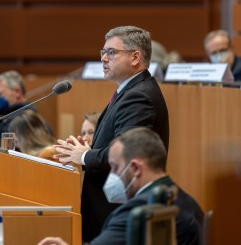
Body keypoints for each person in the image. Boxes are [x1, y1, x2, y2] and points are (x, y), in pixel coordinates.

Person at [53, 25, 169, 242]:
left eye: (111, 53)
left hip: (115, 209)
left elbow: (128, 155)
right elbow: (118, 144)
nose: (104, 59)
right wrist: (88, 150)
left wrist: (85, 156)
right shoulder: (131, 90)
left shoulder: (139, 97)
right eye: (103, 52)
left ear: (135, 57)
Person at [38, 128, 203, 245]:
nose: (112, 175)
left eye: (115, 167)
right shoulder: (187, 202)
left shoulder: (138, 212)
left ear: (136, 168)